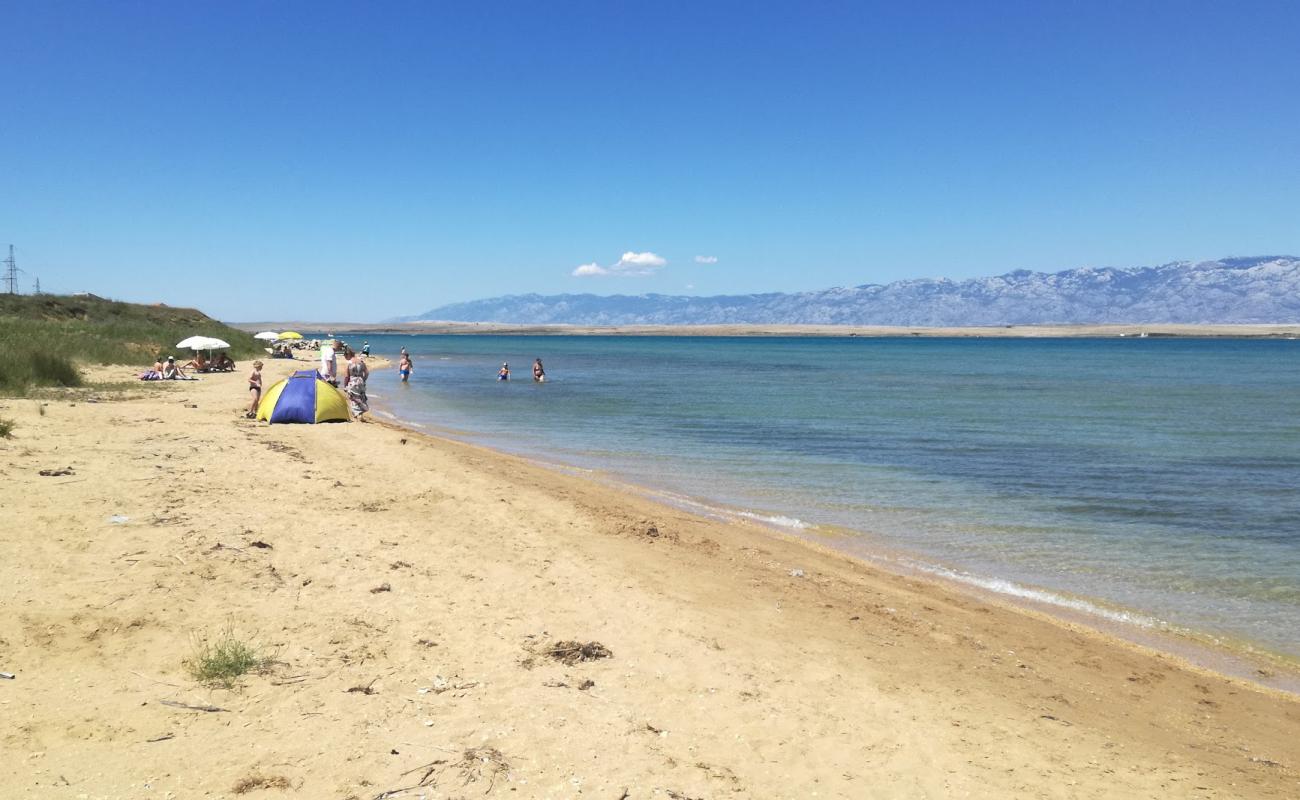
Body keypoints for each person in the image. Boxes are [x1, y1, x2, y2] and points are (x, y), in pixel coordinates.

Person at [343, 347, 369, 418]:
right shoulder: (361, 361)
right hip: (360, 380)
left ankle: (358, 414)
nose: (345, 358)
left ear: (348, 355)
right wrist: (363, 380)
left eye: (345, 356)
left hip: (353, 381)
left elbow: (346, 376)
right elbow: (366, 372)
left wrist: (345, 385)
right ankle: (361, 413)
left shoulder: (349, 363)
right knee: (361, 396)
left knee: (353, 397)